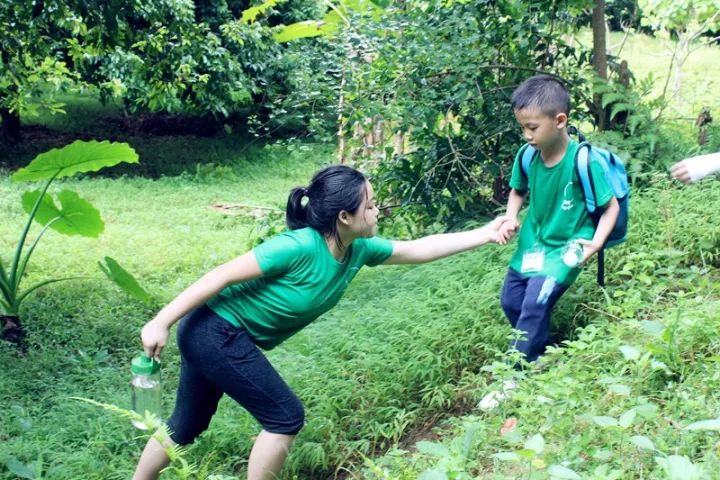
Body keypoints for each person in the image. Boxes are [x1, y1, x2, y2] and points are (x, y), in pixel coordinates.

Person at [133, 165, 510, 480]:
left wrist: (485, 233)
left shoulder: (357, 249)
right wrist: (160, 321)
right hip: (215, 331)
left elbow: (418, 248)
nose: (378, 211)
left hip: (216, 334)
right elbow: (220, 276)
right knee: (284, 416)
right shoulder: (297, 246)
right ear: (344, 217)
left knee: (187, 422)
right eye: (371, 205)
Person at [496, 75, 620, 366]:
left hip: (568, 247)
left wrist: (596, 243)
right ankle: (542, 349)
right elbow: (517, 190)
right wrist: (510, 217)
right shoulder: (528, 156)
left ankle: (516, 373)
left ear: (560, 120)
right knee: (512, 301)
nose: (527, 135)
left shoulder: (583, 161)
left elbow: (610, 208)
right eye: (523, 127)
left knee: (535, 303)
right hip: (533, 244)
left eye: (532, 127)